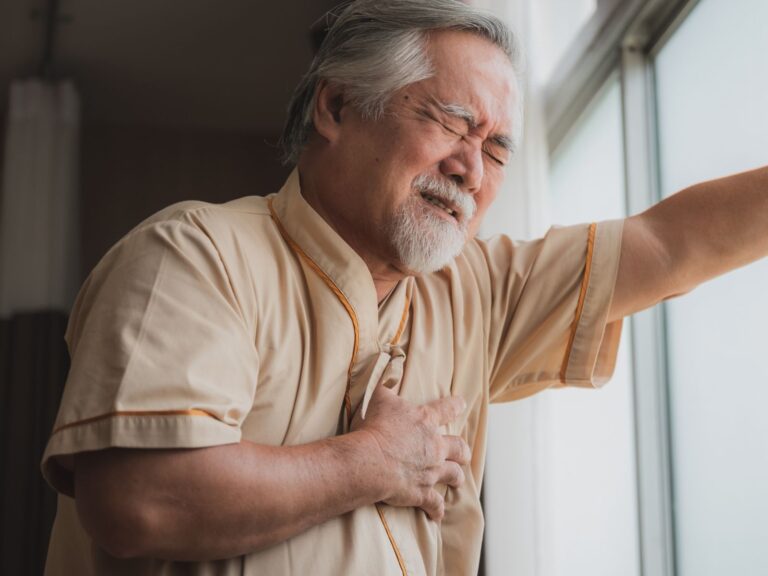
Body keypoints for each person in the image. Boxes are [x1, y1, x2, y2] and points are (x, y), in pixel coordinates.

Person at [41, 1, 767, 574]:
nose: (471, 171)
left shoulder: (474, 288)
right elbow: (139, 500)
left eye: (496, 150)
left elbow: (667, 244)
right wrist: (375, 463)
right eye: (453, 124)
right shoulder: (196, 254)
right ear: (336, 108)